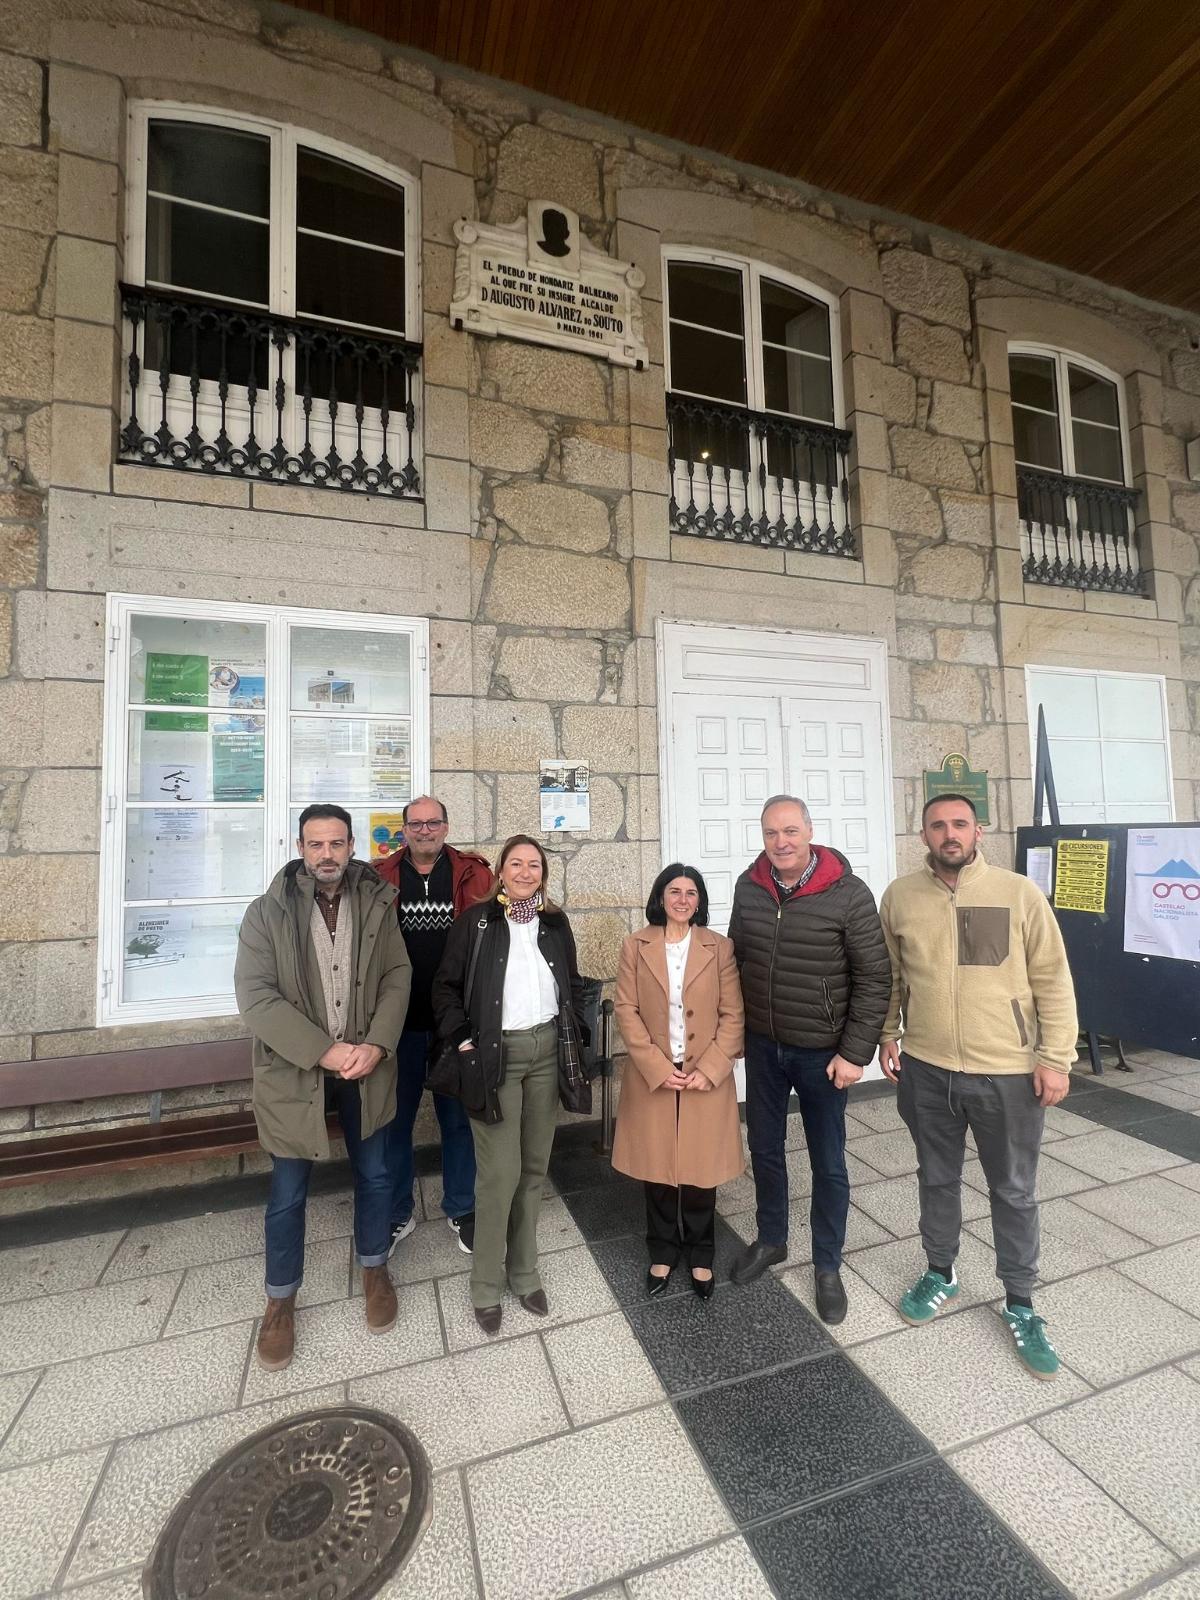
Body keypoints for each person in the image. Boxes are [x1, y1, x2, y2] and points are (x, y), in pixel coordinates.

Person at [878, 793, 1077, 1379]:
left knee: (1013, 1190)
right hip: (927, 1068)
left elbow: (1053, 978)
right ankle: (940, 1272)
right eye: (938, 825)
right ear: (922, 834)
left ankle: (1021, 1302)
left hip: (1007, 1072)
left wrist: (1056, 1058)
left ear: (978, 831)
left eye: (960, 824)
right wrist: (889, 1034)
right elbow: (891, 976)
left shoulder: (1018, 893)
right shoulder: (900, 897)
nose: (950, 834)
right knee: (936, 1177)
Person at [234, 804, 412, 1371]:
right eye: (316, 844)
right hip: (297, 1072)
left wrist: (377, 1044)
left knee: (376, 1173)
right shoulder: (266, 912)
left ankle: (374, 1267)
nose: (327, 854)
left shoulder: (377, 901)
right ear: (300, 848)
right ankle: (280, 1300)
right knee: (288, 1191)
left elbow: (397, 975)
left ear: (352, 845)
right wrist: (323, 1050)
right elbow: (256, 997)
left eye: (337, 843)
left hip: (366, 1065)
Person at [727, 795, 891, 1324]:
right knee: (764, 1148)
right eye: (771, 833)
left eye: (791, 831)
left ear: (810, 831)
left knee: (828, 1160)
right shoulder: (749, 887)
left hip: (823, 1053)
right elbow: (735, 961)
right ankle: (771, 1238)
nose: (781, 842)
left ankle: (827, 1264)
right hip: (764, 1045)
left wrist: (854, 1053)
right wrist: (735, 1030)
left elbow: (874, 978)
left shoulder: (848, 893)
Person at [432, 834, 587, 1335]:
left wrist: (576, 1034)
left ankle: (524, 1273)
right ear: (500, 871)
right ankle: (485, 1285)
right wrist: (463, 1042)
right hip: (495, 1057)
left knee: (534, 1168)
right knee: (499, 1174)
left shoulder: (555, 923)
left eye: (534, 865)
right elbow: (445, 988)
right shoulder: (476, 922)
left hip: (547, 1052)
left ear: (544, 874)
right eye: (516, 864)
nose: (525, 872)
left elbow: (572, 983)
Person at [612, 865, 745, 1299]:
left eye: (691, 892)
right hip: (654, 1073)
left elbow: (733, 1014)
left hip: (703, 1072)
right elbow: (626, 1009)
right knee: (658, 1169)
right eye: (674, 891)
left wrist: (712, 1067)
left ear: (699, 901)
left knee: (701, 1171)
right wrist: (654, 1065)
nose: (682, 899)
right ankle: (663, 1250)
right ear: (660, 897)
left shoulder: (719, 947)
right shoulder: (636, 945)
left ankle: (702, 1253)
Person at [375, 795, 493, 1256]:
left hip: (454, 1023)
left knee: (458, 1121)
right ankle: (397, 1212)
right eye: (416, 823)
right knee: (394, 1122)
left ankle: (463, 1208)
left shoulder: (473, 874)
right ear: (404, 829)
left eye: (433, 822)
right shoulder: (380, 876)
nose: (424, 830)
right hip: (397, 1024)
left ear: (446, 826)